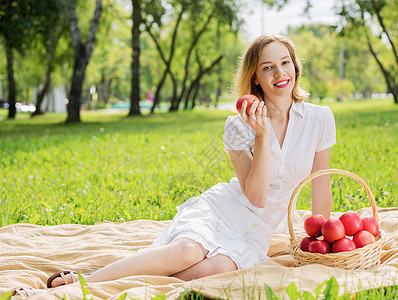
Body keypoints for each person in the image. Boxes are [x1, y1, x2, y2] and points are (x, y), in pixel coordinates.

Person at [12, 34, 336, 297]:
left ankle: (123, 280)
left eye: (285, 63)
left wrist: (328, 242)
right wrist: (263, 137)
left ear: (296, 66)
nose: (280, 73)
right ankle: (81, 284)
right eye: (268, 67)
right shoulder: (238, 126)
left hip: (257, 233)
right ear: (255, 78)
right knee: (186, 252)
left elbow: (321, 186)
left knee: (217, 270)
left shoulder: (320, 119)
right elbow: (256, 196)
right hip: (225, 210)